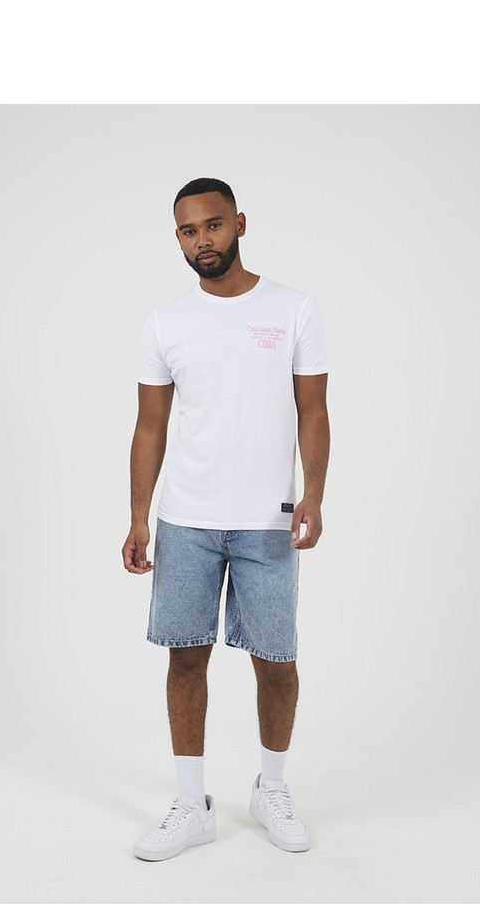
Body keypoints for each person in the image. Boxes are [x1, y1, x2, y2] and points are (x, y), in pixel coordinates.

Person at [122, 177, 330, 861]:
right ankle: (193, 805)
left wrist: (314, 494)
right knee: (186, 658)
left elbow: (313, 411)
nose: (202, 241)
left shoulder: (294, 310)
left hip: (268, 520)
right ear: (178, 240)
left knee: (277, 660)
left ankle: (272, 788)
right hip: (186, 520)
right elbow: (150, 426)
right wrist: (139, 517)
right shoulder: (166, 323)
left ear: (239, 223)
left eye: (212, 225)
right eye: (188, 232)